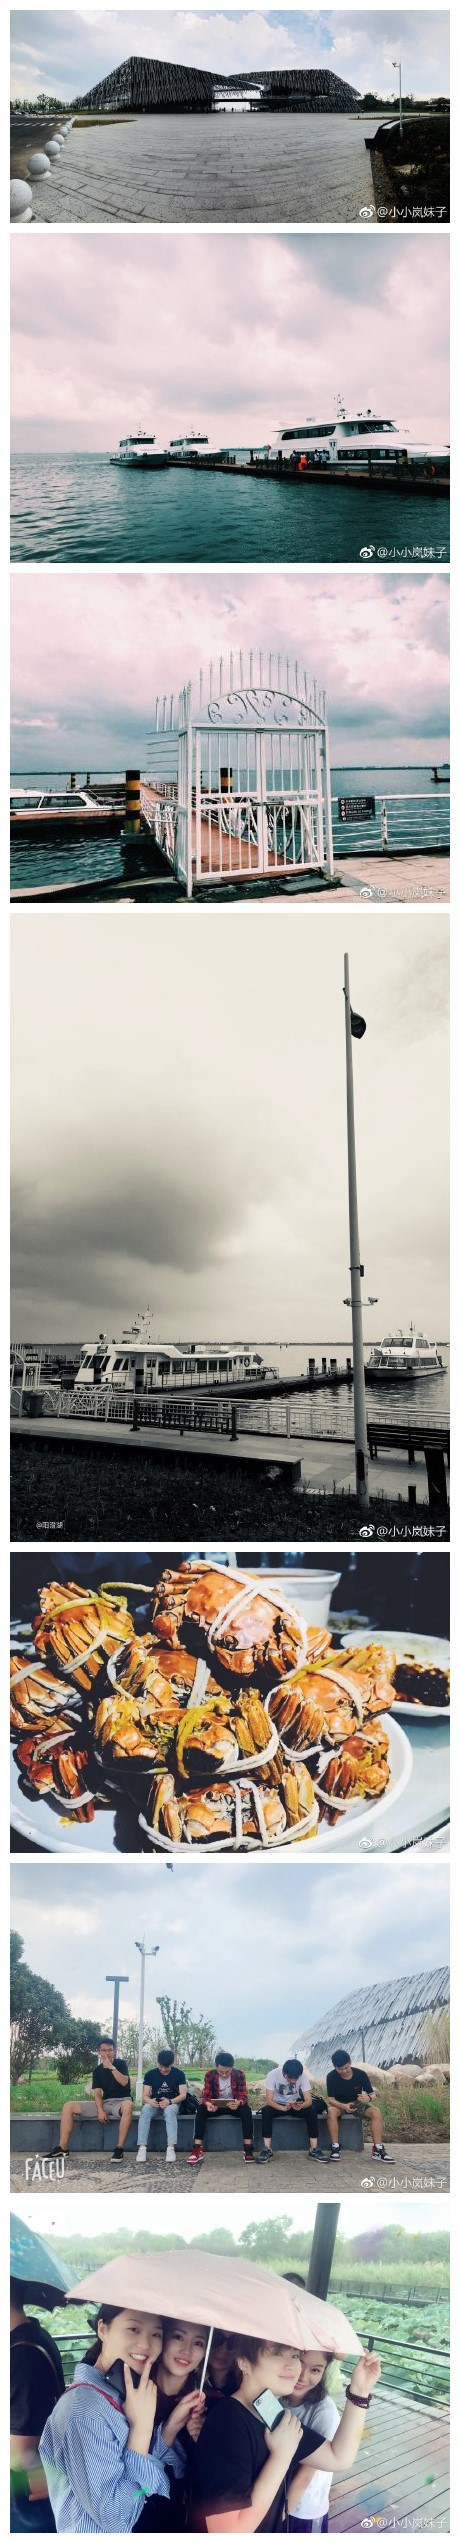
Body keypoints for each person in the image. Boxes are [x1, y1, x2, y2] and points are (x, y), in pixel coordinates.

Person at [39, 2304, 204, 2534]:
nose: (146, 2345)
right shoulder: (84, 2409)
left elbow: (139, 2489)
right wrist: (141, 2430)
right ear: (102, 2329)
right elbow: (116, 2519)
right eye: (133, 2329)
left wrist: (169, 2429)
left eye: (156, 2334)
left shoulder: (120, 2394)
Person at [134, 2318, 209, 2531]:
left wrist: (203, 2441)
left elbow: (203, 2484)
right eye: (178, 2337)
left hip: (178, 2519)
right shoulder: (132, 2393)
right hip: (134, 2515)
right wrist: (170, 2428)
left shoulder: (206, 2406)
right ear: (162, 2339)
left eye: (198, 2343)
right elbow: (137, 2489)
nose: (187, 2351)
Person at [10, 2280, 65, 2533]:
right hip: (43, 2488)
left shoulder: (22, 2355)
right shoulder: (34, 2334)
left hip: (26, 2497)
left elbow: (20, 2454)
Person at [287, 2349, 340, 2534]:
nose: (302, 2376)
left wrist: (275, 2519)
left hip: (302, 2507)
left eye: (315, 2370)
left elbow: (304, 2477)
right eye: (299, 2362)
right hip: (275, 2494)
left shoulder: (325, 2413)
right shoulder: (275, 2396)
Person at [59, 2035, 134, 2166]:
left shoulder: (121, 2064)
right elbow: (98, 2093)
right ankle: (62, 2148)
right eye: (104, 2050)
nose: (107, 2053)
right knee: (69, 2106)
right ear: (99, 2052)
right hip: (105, 2103)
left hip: (121, 2102)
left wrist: (111, 2067)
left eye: (110, 2050)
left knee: (128, 2105)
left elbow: (124, 2082)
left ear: (114, 2051)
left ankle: (119, 2148)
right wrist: (99, 2110)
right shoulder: (97, 2071)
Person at [187, 2054, 254, 2165]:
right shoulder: (210, 2074)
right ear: (216, 2067)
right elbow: (206, 2095)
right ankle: (197, 2149)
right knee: (201, 2109)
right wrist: (209, 2104)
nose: (223, 2074)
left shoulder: (239, 2074)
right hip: (216, 2106)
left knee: (246, 2111)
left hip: (233, 2106)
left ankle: (248, 2148)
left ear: (232, 2068)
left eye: (227, 2072)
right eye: (220, 2071)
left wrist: (238, 2102)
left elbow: (243, 2096)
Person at [136, 2049, 197, 2169]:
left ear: (172, 2064)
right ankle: (142, 2147)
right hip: (155, 2103)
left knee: (169, 2111)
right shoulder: (150, 2074)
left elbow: (183, 2095)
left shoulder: (179, 2074)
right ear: (157, 2063)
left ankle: (170, 2147)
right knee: (146, 2110)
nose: (163, 2069)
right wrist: (150, 2101)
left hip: (173, 2102)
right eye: (161, 2066)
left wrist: (169, 2101)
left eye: (167, 2067)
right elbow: (145, 2095)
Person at [256, 2062, 326, 2164]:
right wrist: (282, 2108)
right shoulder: (273, 2074)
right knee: (266, 2111)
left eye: (295, 2079)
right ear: (283, 2072)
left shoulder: (303, 2076)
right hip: (278, 2105)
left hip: (295, 2104)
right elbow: (269, 2100)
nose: (292, 2081)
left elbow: (308, 2100)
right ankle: (267, 2149)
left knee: (311, 2110)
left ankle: (314, 2149)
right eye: (289, 2078)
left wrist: (301, 2106)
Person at [325, 2052, 387, 2162]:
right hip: (340, 2104)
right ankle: (335, 2147)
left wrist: (368, 2098)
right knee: (331, 2111)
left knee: (376, 2111)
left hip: (357, 2103)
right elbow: (331, 2099)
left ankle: (378, 2149)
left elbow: (372, 2095)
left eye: (346, 2068)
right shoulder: (331, 2076)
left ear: (350, 2063)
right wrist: (344, 2106)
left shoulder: (361, 2074)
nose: (344, 2071)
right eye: (340, 2069)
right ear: (334, 2067)